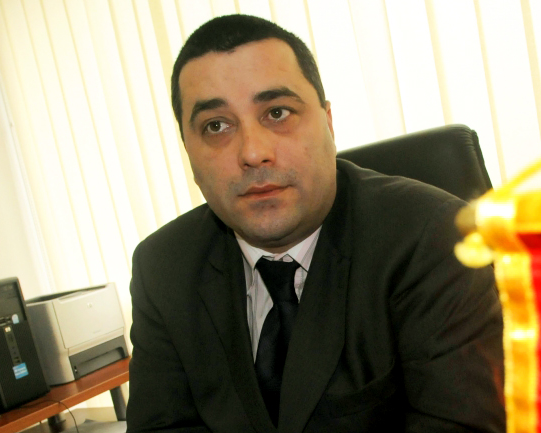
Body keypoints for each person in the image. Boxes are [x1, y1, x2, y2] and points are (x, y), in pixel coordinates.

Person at [126, 14, 505, 433]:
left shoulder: (432, 237)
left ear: (328, 122)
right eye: (216, 126)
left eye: (277, 112)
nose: (252, 152)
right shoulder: (163, 267)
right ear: (188, 150)